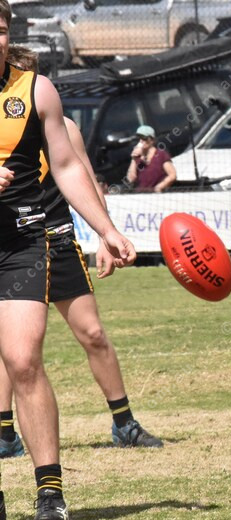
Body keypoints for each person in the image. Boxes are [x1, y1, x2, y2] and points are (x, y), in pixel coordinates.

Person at [0, 1, 136, 520]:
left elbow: (65, 165)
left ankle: (50, 492)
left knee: (23, 360)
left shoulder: (37, 91)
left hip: (22, 242)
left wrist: (106, 228)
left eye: (1, 28)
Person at [0, 44, 162, 463]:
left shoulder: (62, 125)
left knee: (92, 333)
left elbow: (82, 176)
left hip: (55, 240)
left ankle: (124, 421)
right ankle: (5, 432)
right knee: (14, 348)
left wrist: (105, 234)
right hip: (18, 241)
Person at [126, 125, 177, 192]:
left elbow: (172, 175)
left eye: (144, 138)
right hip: (140, 194)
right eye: (139, 138)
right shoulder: (137, 157)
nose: (141, 141)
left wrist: (159, 187)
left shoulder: (161, 155)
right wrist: (133, 159)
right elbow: (131, 179)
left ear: (152, 140)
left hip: (156, 195)